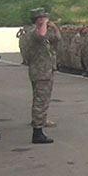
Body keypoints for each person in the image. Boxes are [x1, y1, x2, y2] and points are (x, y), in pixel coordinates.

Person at [24, 8, 61, 144]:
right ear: (39, 19)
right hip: (41, 72)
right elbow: (40, 36)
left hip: (45, 71)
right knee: (40, 101)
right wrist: (44, 24)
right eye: (44, 18)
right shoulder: (34, 32)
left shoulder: (41, 32)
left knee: (42, 100)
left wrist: (55, 27)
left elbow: (57, 39)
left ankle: (40, 123)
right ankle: (37, 132)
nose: (47, 20)